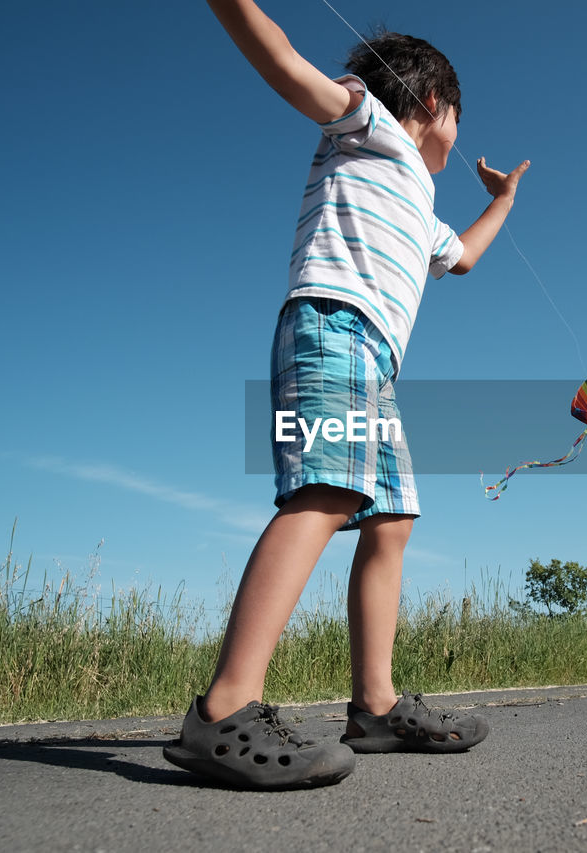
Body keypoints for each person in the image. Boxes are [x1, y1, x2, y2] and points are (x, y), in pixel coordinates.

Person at [163, 0, 530, 789]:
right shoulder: (371, 125)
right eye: (459, 117)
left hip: (377, 364)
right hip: (331, 326)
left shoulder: (425, 203)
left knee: (390, 521)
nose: (458, 135)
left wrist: (502, 201)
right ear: (433, 104)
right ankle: (223, 708)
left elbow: (461, 257)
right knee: (326, 491)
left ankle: (375, 706)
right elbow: (288, 67)